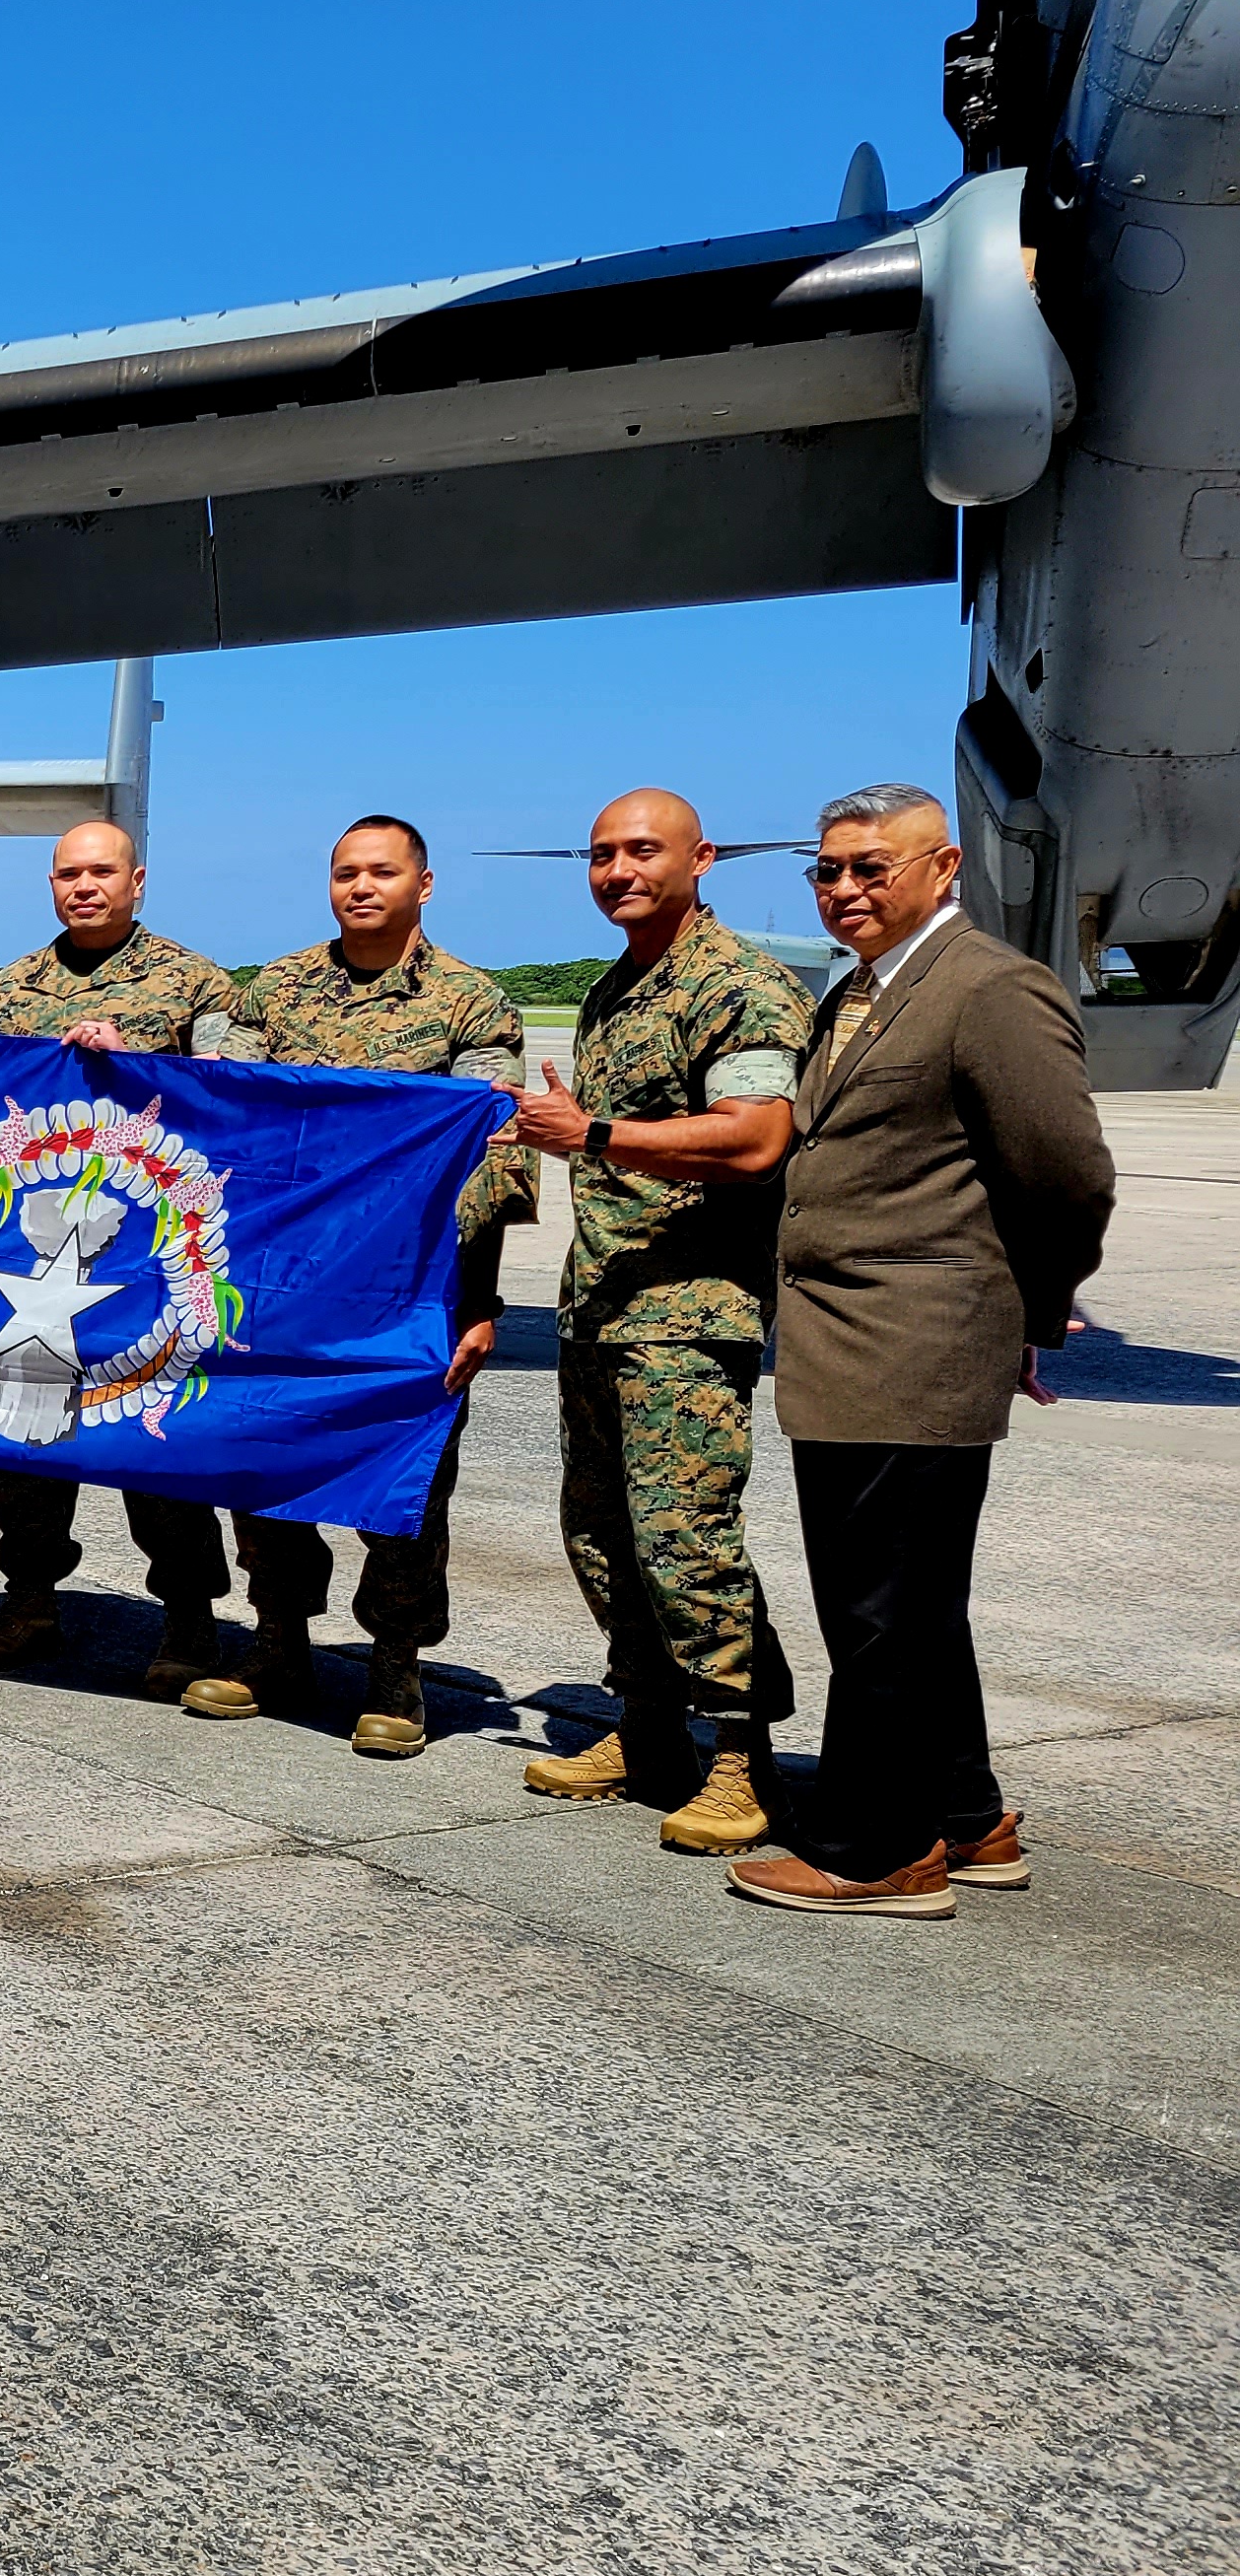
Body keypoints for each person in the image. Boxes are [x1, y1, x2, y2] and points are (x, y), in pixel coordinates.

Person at [730, 785, 1115, 1918]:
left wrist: (1032, 1311)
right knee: (909, 1602)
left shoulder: (991, 988)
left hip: (916, 1340)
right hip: (853, 1344)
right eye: (827, 871)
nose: (844, 888)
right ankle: (964, 1815)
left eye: (870, 868)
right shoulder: (862, 991)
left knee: (881, 1610)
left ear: (942, 868)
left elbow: (1067, 1171)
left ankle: (876, 1851)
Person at [504, 788, 809, 1856]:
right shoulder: (615, 989)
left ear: (702, 859)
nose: (618, 870)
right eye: (600, 855)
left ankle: (739, 1755)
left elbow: (755, 1136)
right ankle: (644, 1727)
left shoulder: (740, 988)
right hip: (602, 1305)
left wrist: (588, 1130)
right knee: (601, 1534)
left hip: (688, 1311)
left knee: (686, 1539)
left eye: (642, 851)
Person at [191, 815, 533, 1756]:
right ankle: (278, 1642)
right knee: (264, 1462)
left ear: (424, 884)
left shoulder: (473, 1007)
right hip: (279, 1284)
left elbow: (492, 1164)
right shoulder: (281, 990)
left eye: (382, 872)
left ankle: (395, 1669)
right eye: (345, 873)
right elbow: (225, 1110)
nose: (361, 887)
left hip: (407, 1291)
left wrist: (480, 1303)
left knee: (404, 1482)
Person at [0, 819, 243, 1694]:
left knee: (157, 1443)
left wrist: (142, 1065)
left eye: (101, 872)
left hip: (148, 1261)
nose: (84, 886)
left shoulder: (197, 985)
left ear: (138, 880)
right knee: (30, 1440)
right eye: (68, 873)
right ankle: (31, 1599)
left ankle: (191, 1621)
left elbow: (236, 1105)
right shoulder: (9, 993)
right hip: (37, 1253)